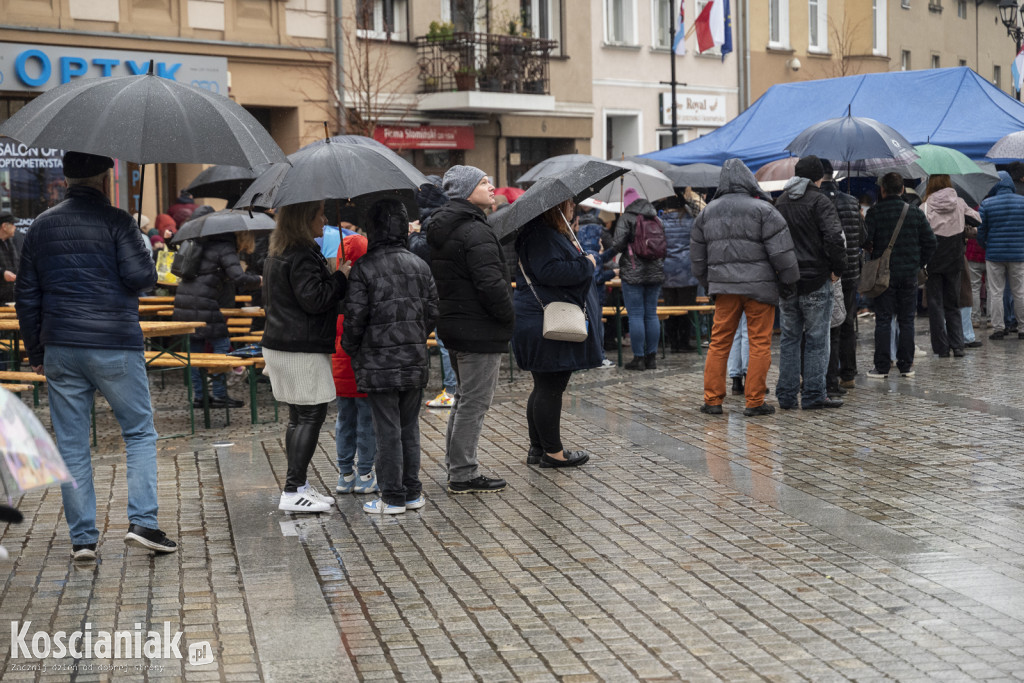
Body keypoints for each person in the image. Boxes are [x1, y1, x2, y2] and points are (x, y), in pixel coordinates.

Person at [16, 151, 177, 560]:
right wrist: (141, 245)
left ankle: (83, 539)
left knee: (71, 445)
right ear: (105, 179)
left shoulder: (41, 226)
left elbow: (27, 295)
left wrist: (36, 350)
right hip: (114, 343)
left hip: (60, 345)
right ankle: (143, 522)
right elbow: (142, 278)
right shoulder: (119, 221)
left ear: (67, 179)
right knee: (138, 432)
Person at [342, 199, 438, 514]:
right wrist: (414, 336)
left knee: (387, 430)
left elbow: (355, 318)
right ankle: (411, 492)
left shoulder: (364, 268)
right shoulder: (419, 265)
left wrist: (351, 347)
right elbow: (432, 312)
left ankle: (392, 496)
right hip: (413, 357)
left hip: (377, 362)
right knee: (409, 428)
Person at [424, 166, 511, 491]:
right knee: (474, 402)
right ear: (466, 191)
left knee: (464, 398)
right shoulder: (474, 229)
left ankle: (457, 466)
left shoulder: (446, 226)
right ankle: (463, 473)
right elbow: (491, 283)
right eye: (483, 182)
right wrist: (507, 316)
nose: (491, 187)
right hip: (479, 328)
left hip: (455, 325)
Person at [691, 158, 799, 417]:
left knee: (719, 343)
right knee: (759, 343)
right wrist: (789, 281)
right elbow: (782, 253)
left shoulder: (706, 213)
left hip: (724, 289)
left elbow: (697, 259)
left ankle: (712, 400)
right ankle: (754, 401)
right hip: (760, 289)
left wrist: (710, 284)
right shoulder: (764, 210)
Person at [263, 200, 350, 513]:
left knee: (298, 416)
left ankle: (298, 485)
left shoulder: (281, 251)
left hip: (284, 342)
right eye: (319, 214)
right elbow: (315, 300)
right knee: (311, 414)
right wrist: (340, 277)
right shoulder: (300, 254)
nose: (324, 220)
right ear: (304, 219)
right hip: (299, 345)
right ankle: (292, 489)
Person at [512, 198, 602, 466]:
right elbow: (550, 271)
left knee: (544, 385)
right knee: (551, 386)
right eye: (569, 204)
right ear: (555, 208)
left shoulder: (541, 233)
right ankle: (553, 452)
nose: (573, 207)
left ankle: (538, 448)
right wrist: (587, 264)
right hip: (545, 321)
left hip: (539, 318)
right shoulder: (542, 235)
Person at [773, 156, 846, 410]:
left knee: (789, 340)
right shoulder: (820, 201)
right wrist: (837, 268)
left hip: (788, 281)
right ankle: (814, 394)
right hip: (816, 279)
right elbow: (834, 237)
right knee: (817, 340)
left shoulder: (781, 202)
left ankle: (786, 395)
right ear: (818, 178)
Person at [172, 230, 262, 408]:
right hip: (203, 302)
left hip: (184, 300)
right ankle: (220, 394)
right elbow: (239, 277)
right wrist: (259, 280)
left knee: (196, 353)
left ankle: (200, 396)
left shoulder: (202, 242)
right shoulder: (225, 247)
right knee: (222, 345)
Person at [865, 173, 936, 378]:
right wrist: (918, 262)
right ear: (903, 189)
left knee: (883, 319)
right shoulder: (914, 212)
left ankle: (882, 366)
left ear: (882, 190)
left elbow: (866, 241)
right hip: (908, 274)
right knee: (907, 320)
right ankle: (906, 365)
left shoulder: (874, 212)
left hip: (883, 275)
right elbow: (931, 242)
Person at [331, 231, 378, 496]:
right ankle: (365, 475)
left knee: (344, 420)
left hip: (340, 367)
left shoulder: (335, 287)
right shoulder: (367, 289)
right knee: (366, 422)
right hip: (363, 365)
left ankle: (345, 474)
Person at [409, 178, 459, 407]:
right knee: (447, 342)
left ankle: (451, 390)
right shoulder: (446, 217)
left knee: (443, 341)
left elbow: (422, 253)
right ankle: (453, 389)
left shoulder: (432, 222)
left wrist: (412, 236)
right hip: (447, 289)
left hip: (436, 291)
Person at [819, 160, 866, 393]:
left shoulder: (816, 201)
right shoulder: (851, 201)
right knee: (846, 322)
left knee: (825, 326)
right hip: (850, 272)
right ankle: (848, 374)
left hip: (825, 273)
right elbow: (863, 236)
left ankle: (826, 376)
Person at [608, 188, 666, 370]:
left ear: (627, 204)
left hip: (632, 273)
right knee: (651, 314)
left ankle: (639, 359)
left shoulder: (627, 218)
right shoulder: (656, 218)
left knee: (635, 315)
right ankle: (652, 358)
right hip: (655, 272)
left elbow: (617, 245)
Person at [921, 174, 979, 357]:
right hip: (955, 259)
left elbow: (921, 233)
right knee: (953, 304)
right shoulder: (959, 203)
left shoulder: (925, 206)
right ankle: (958, 346)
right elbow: (977, 220)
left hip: (933, 260)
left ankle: (941, 348)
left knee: (935, 305)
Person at [977, 171, 1024, 340]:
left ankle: (998, 328)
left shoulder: (987, 204)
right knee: (1019, 291)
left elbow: (981, 230)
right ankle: (1022, 328)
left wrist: (986, 246)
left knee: (996, 292)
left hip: (994, 255)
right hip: (1018, 254)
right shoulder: (1022, 202)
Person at [660, 191, 703, 353]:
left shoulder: (660, 222)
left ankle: (673, 343)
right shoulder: (691, 221)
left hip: (667, 271)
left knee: (670, 308)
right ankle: (684, 342)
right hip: (687, 270)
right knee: (686, 308)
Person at [0, 212, 19, 304]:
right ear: (4, 226)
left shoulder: (11, 242)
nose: (15, 227)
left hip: (10, 297)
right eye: (13, 224)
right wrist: (2, 273)